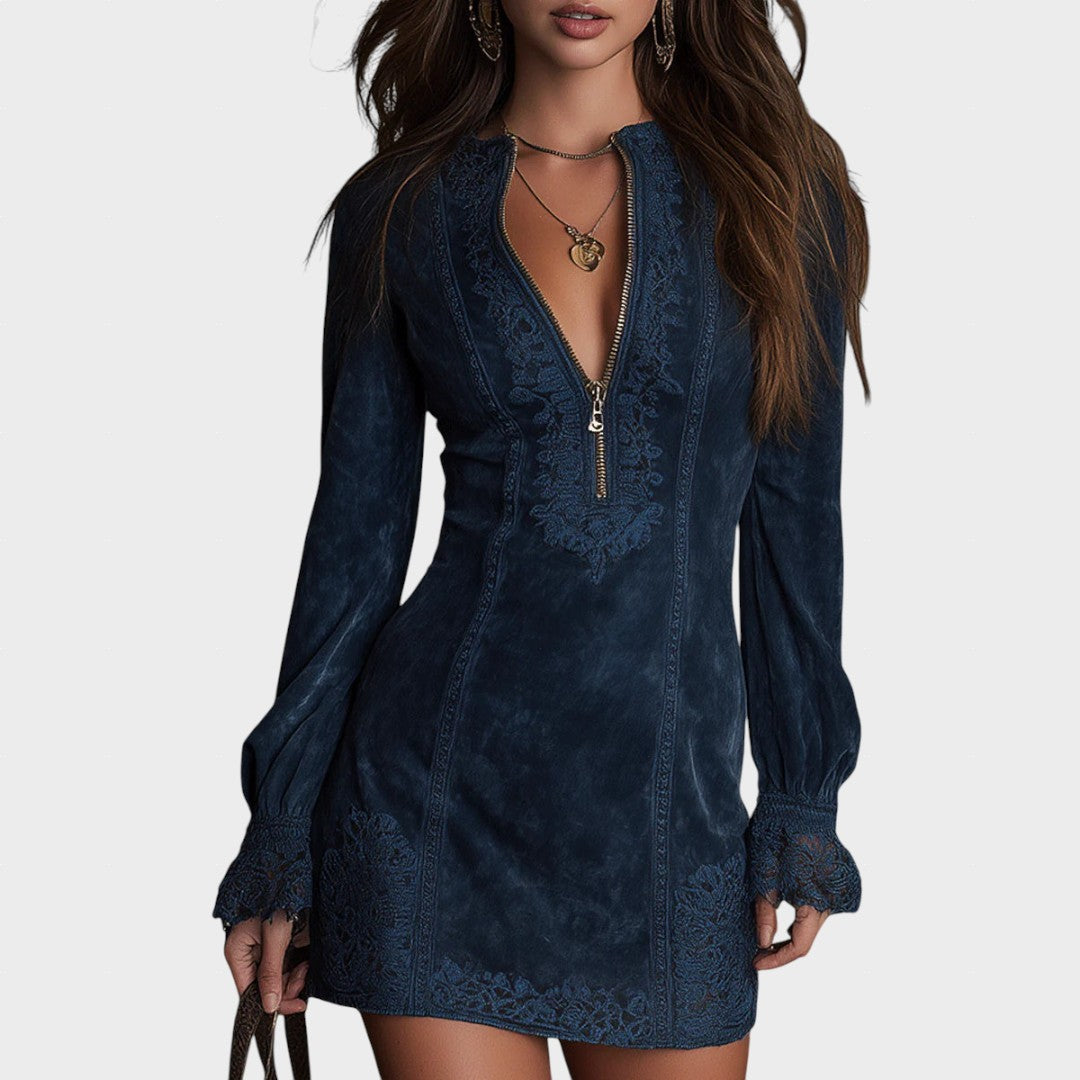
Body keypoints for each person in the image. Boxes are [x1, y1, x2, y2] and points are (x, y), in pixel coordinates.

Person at [212, 2, 869, 1077]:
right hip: (428, 812)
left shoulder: (780, 197)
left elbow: (797, 527)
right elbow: (354, 539)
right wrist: (281, 825)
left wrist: (804, 794)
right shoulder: (404, 207)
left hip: (671, 830)